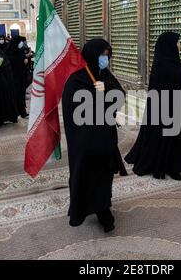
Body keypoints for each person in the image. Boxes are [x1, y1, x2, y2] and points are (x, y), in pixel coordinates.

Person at [62, 39, 126, 233]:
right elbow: (74, 110)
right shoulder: (77, 79)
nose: (105, 59)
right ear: (91, 55)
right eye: (102, 55)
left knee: (104, 174)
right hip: (86, 139)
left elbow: (120, 96)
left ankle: (102, 205)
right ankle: (97, 209)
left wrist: (106, 91)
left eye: (107, 55)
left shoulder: (105, 76)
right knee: (87, 174)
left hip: (105, 136)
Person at [125, 32, 181, 181]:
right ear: (170, 46)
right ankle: (170, 165)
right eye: (178, 42)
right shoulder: (178, 68)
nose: (180, 45)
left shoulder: (159, 66)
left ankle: (166, 162)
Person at [5, 35, 29, 118]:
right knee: (15, 95)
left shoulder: (20, 51)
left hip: (21, 77)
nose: (21, 43)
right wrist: (22, 61)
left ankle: (22, 111)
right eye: (20, 42)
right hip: (13, 78)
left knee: (21, 95)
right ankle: (15, 112)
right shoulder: (8, 52)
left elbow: (24, 62)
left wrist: (25, 60)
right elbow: (9, 63)